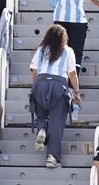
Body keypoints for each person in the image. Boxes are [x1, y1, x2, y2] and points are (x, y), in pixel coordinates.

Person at [30, 23, 80, 169]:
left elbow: (34, 70)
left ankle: (42, 129)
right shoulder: (68, 51)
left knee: (41, 114)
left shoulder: (40, 49)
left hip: (40, 82)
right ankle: (52, 157)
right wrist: (76, 92)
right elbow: (72, 73)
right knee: (56, 122)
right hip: (59, 84)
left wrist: (35, 87)